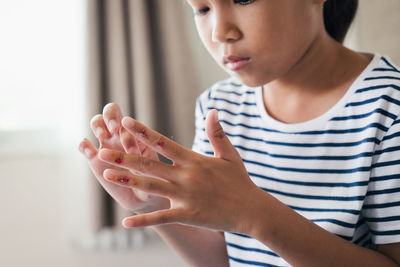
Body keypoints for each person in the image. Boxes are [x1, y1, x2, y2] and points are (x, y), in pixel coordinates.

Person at [78, 0, 400, 266]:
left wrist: (255, 213)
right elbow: (225, 258)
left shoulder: (389, 109)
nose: (220, 32)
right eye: (202, 9)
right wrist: (156, 202)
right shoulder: (218, 106)